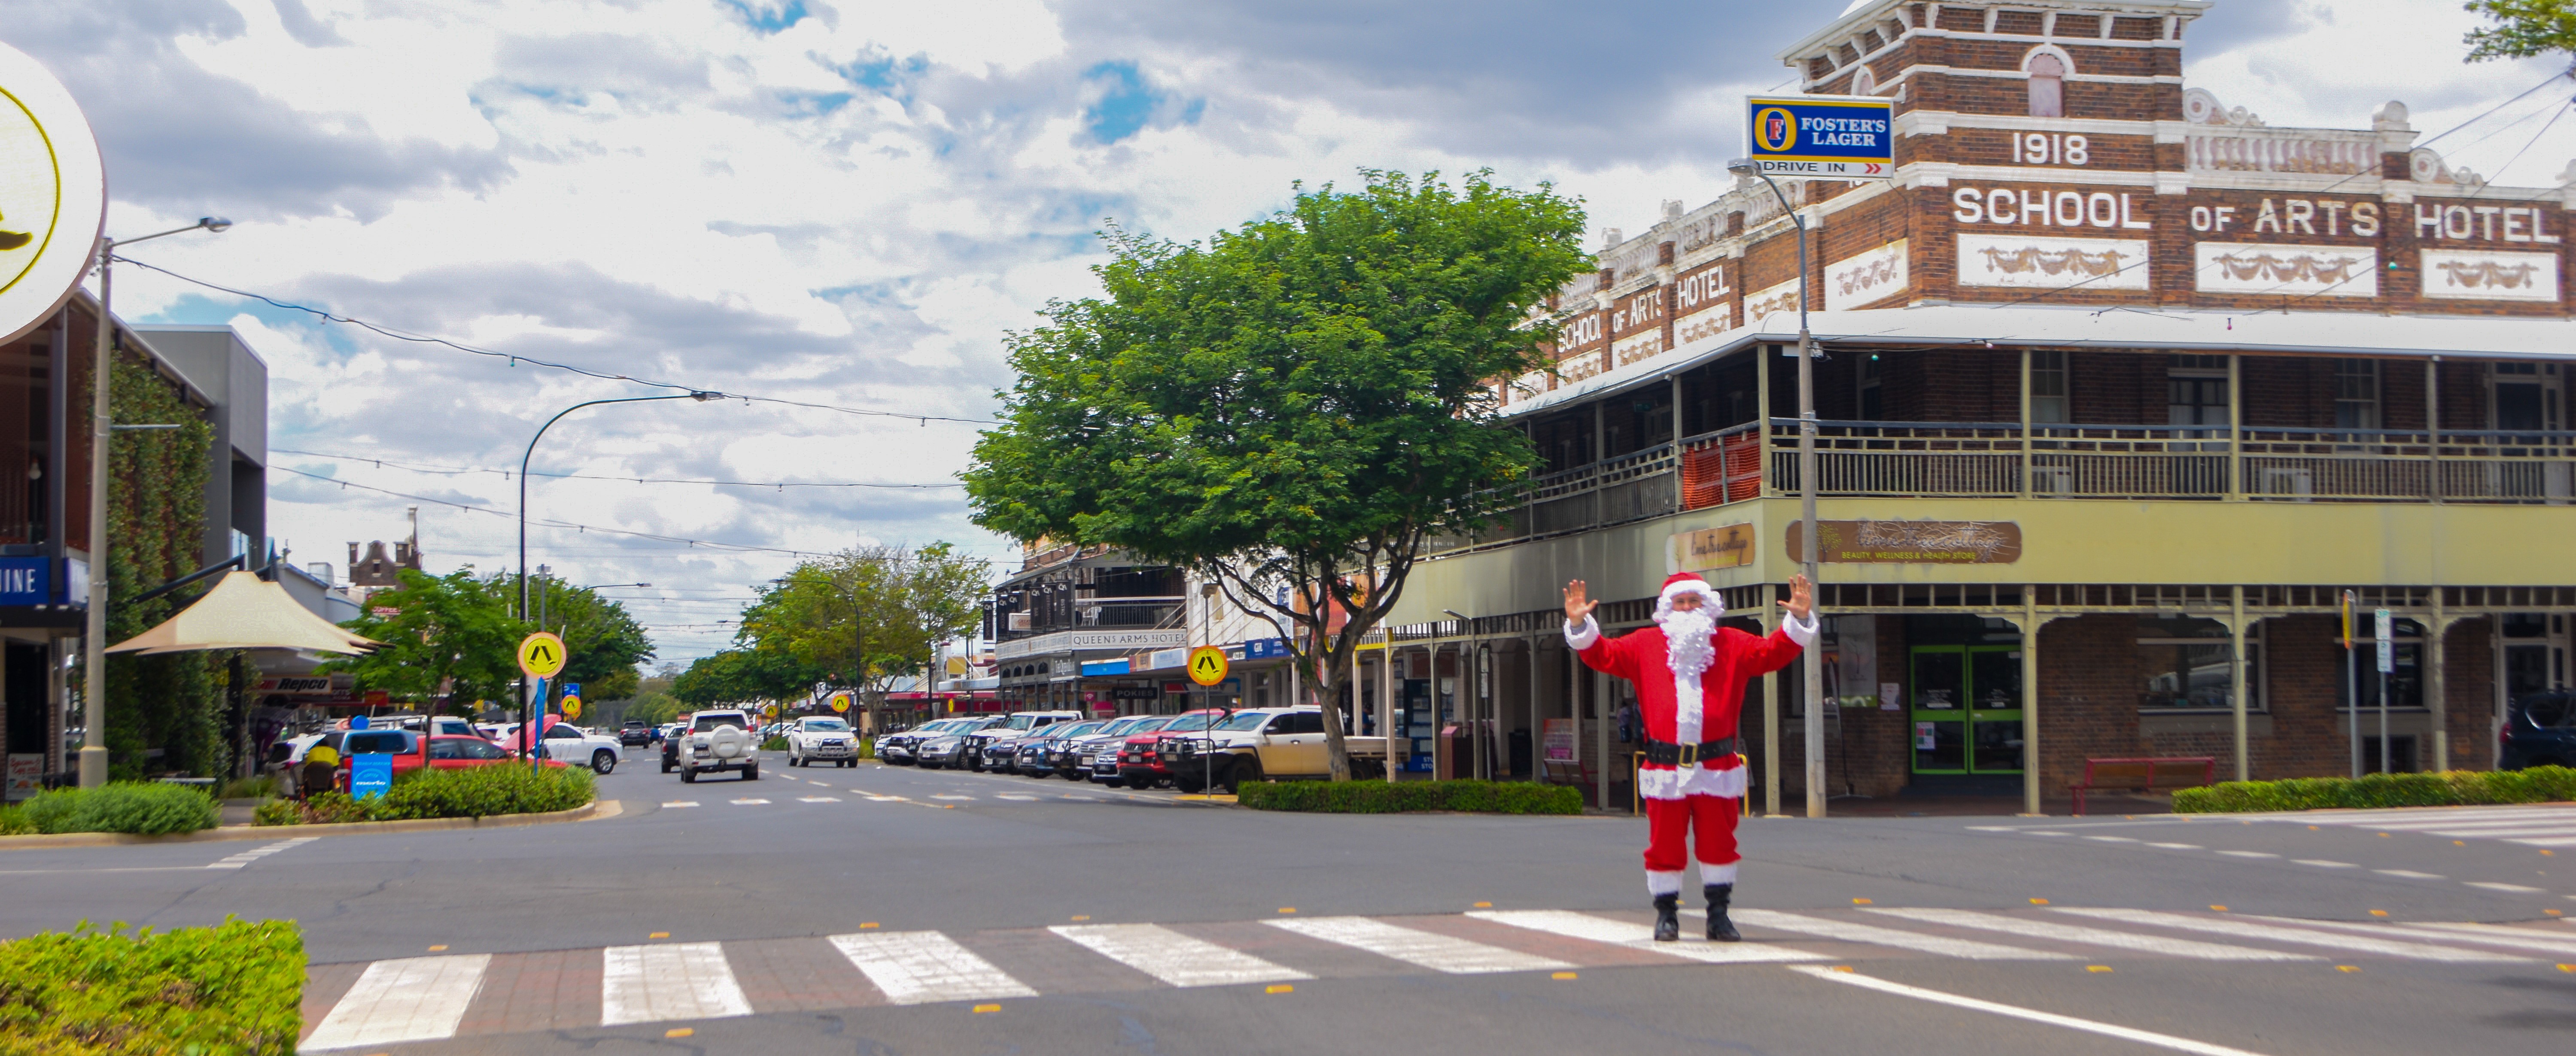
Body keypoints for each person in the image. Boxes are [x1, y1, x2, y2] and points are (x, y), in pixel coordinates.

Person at [1563, 571, 1815, 943]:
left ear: (1707, 606)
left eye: (1693, 602)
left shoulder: (1732, 643)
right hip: (1665, 767)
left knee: (1719, 844)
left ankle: (1719, 916)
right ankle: (1667, 916)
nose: (1686, 608)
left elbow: (1772, 653)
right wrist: (1579, 623)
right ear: (1667, 609)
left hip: (1717, 767)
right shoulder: (1644, 645)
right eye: (1679, 602)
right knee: (1664, 845)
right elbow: (1602, 655)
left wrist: (1799, 620)